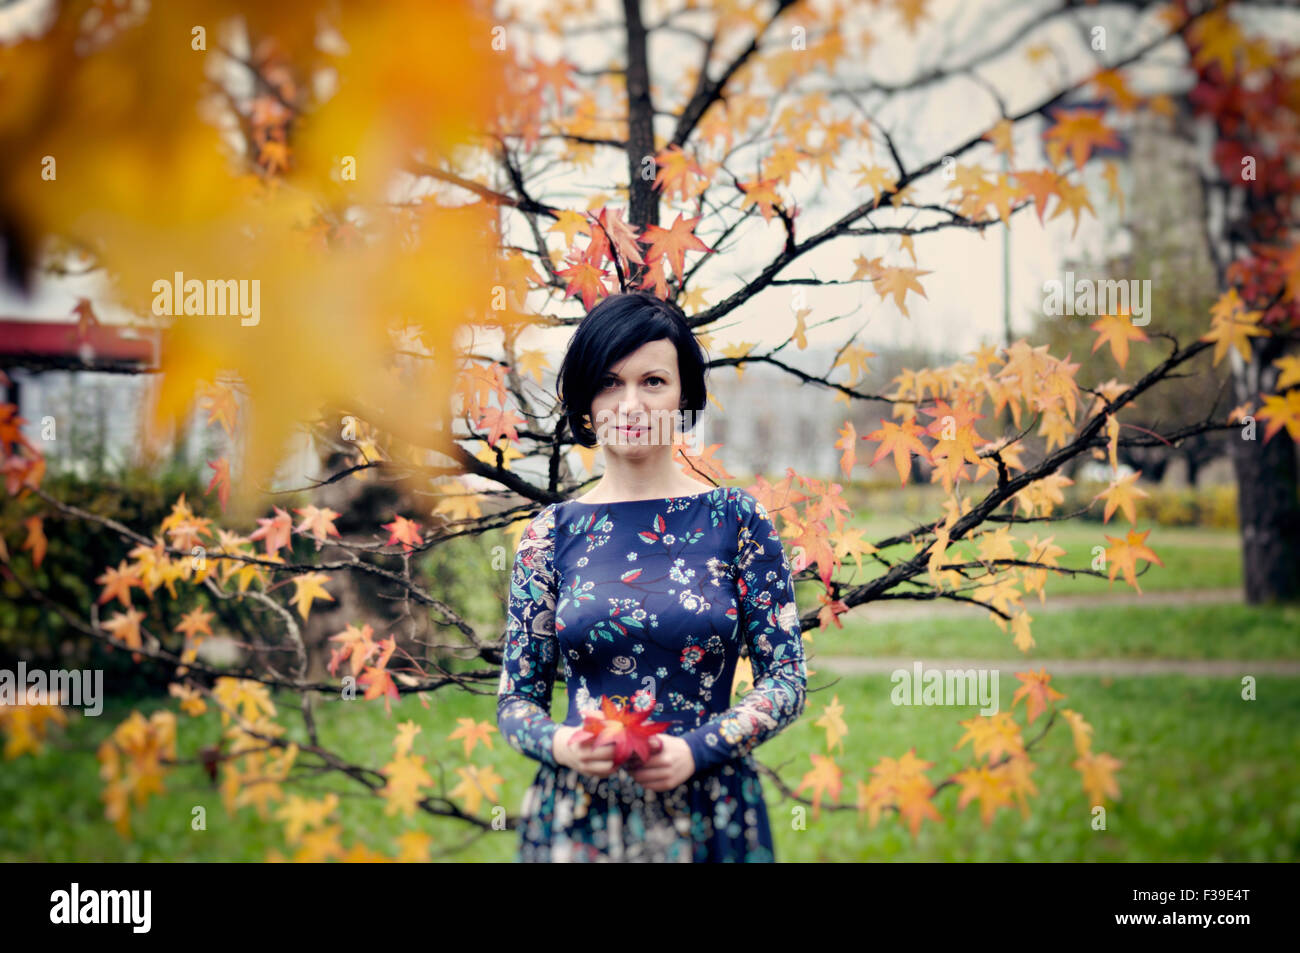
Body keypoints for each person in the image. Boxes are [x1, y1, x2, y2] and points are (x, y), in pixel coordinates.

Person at [496, 290, 808, 862]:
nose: (630, 404)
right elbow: (516, 701)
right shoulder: (549, 533)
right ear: (586, 400)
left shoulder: (737, 521)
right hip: (581, 821)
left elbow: (786, 680)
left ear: (684, 394)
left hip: (711, 808)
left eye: (653, 382)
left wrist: (699, 748)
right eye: (610, 382)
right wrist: (563, 744)